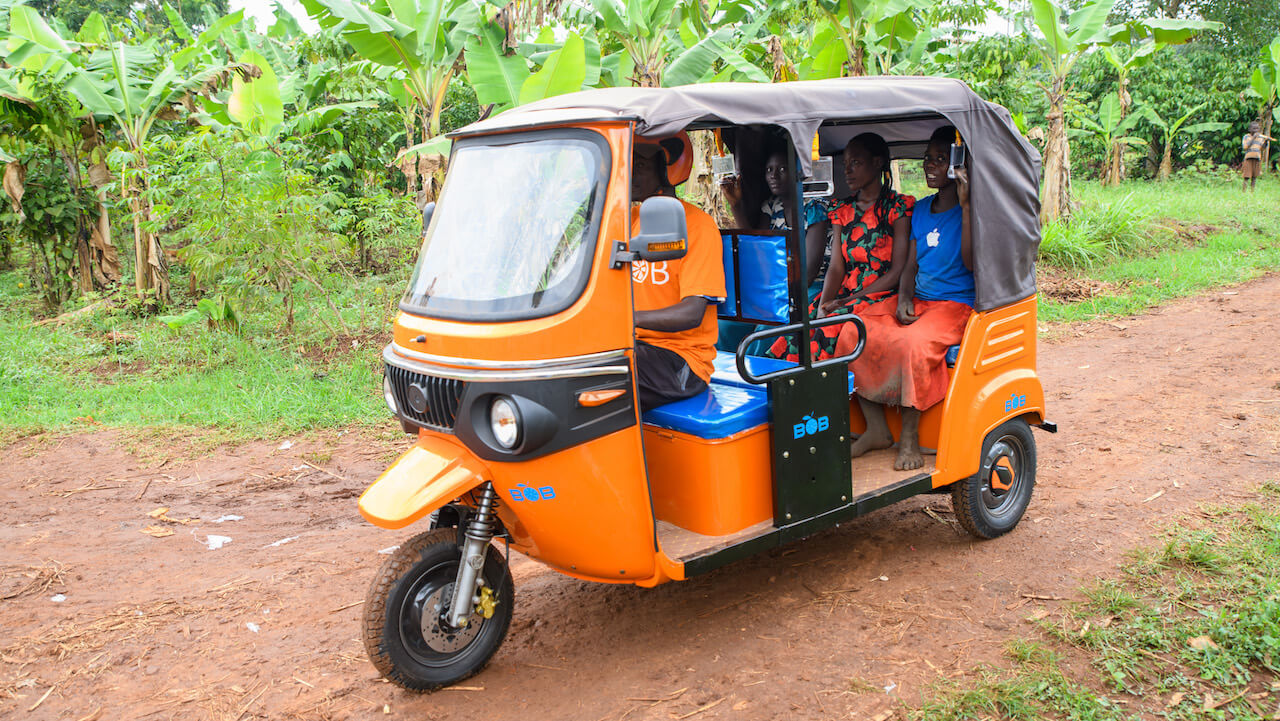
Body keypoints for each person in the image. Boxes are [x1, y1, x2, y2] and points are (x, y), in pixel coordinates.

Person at [840, 126, 973, 471]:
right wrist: (903, 299)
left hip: (955, 305)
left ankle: (910, 438)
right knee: (853, 331)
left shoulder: (970, 210)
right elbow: (910, 266)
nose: (931, 165)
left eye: (941, 159)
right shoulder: (923, 209)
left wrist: (967, 205)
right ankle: (877, 429)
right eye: (928, 158)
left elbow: (972, 261)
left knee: (912, 344)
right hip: (920, 299)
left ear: (959, 165)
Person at [767, 133, 913, 363]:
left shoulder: (898, 207)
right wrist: (824, 304)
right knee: (796, 329)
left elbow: (897, 271)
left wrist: (848, 301)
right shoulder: (841, 209)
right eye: (845, 164)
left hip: (881, 293)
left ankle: (827, 392)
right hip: (846, 292)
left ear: (877, 163)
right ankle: (788, 392)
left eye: (855, 163)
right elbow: (836, 266)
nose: (847, 171)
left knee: (827, 330)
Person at [630, 133, 727, 411]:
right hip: (633, 346)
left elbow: (691, 313)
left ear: (668, 167)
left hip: (682, 361)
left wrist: (625, 319)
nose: (630, 172)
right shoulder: (629, 221)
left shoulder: (696, 226)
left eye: (640, 165)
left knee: (597, 378)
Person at [721, 142, 832, 289]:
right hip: (782, 286)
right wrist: (735, 205)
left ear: (797, 172)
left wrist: (777, 296)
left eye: (782, 169)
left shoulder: (814, 208)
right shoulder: (772, 206)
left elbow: (809, 272)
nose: (773, 176)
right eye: (769, 169)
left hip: (814, 289)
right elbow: (757, 247)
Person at [1241, 121, 1271, 192]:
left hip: (1257, 158)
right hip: (1248, 158)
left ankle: (1252, 191)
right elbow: (1245, 147)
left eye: (1257, 129)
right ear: (1249, 129)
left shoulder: (1260, 138)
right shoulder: (1246, 137)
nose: (1256, 131)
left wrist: (1266, 142)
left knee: (1254, 176)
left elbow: (1262, 148)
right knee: (1246, 176)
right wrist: (1253, 138)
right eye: (1254, 129)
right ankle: (1244, 191)